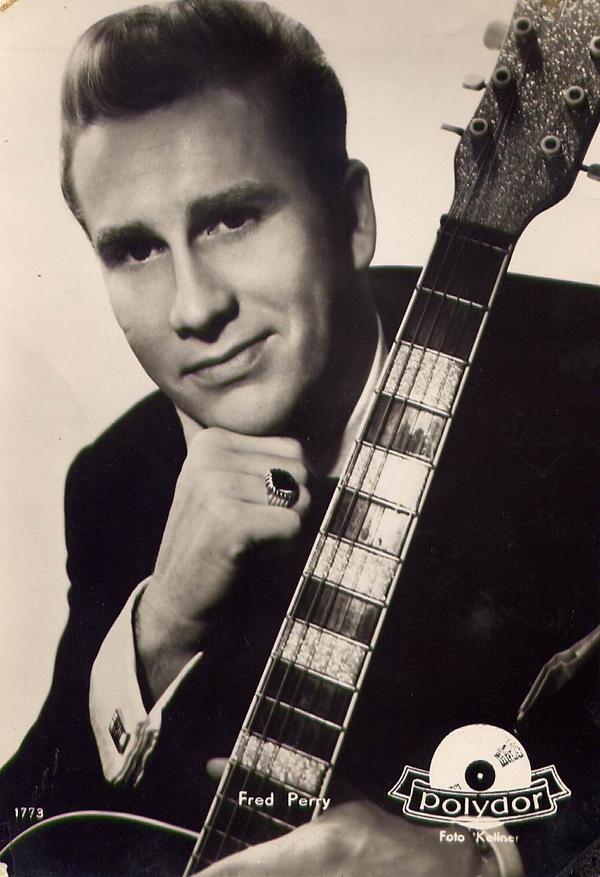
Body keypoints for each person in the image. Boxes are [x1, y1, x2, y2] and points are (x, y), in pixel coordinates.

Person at [1, 1, 598, 875]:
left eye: (232, 219)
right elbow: (31, 829)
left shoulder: (582, 384)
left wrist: (482, 855)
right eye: (135, 250)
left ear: (353, 217)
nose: (195, 307)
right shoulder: (120, 475)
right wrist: (160, 626)